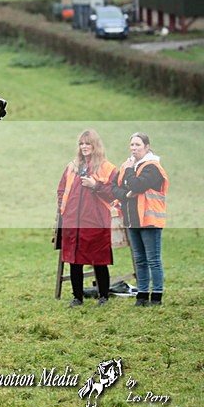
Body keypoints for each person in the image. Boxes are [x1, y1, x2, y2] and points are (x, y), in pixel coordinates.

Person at [56, 130, 118, 308]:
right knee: (75, 261)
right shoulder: (72, 167)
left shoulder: (107, 168)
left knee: (99, 260)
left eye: (88, 143)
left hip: (96, 222)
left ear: (95, 146)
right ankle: (77, 298)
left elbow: (113, 194)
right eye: (81, 144)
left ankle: (104, 297)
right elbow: (61, 190)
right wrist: (64, 210)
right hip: (72, 221)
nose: (84, 147)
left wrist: (95, 185)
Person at [111, 132, 168, 307]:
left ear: (147, 147)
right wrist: (127, 194)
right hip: (132, 220)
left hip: (149, 220)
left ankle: (156, 297)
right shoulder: (129, 166)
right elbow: (114, 187)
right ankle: (141, 296)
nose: (134, 148)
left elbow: (137, 184)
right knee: (139, 259)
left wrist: (129, 173)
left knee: (153, 260)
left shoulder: (152, 167)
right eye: (132, 145)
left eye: (138, 145)